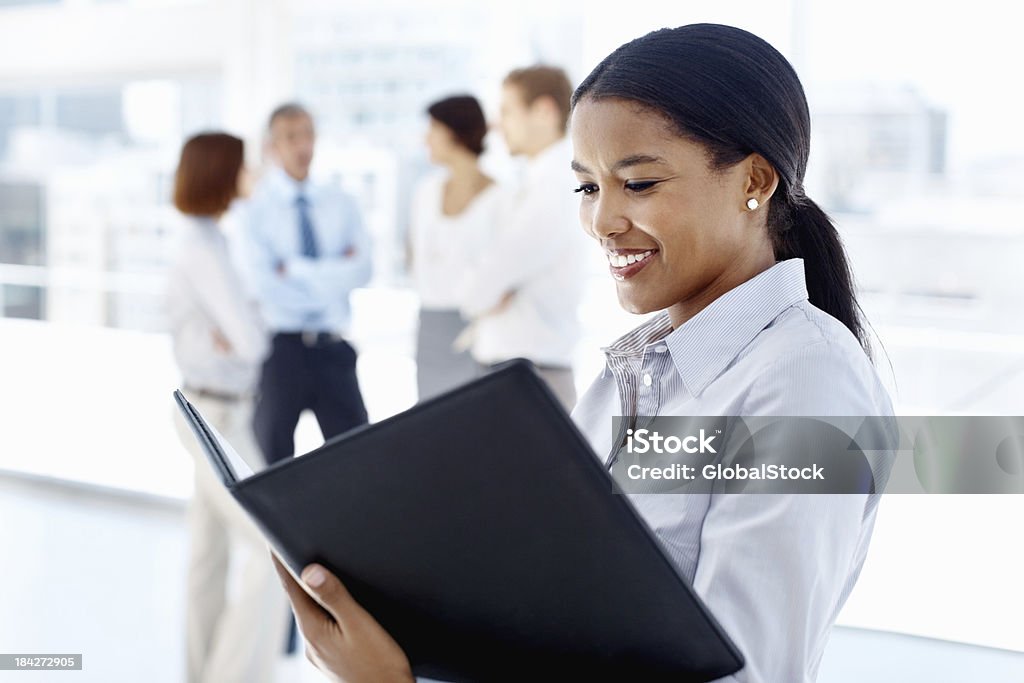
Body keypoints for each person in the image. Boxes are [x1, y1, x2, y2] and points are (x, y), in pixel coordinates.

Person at [271, 24, 895, 683]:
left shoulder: (805, 382)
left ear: (755, 179)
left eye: (640, 183)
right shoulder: (634, 374)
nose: (601, 221)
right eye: (588, 188)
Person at [165, 132, 288, 683]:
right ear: (222, 172)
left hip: (218, 407)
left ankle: (201, 673)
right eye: (246, 165)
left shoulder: (211, 238)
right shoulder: (201, 246)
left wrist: (238, 326)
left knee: (208, 557)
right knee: (271, 546)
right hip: (213, 415)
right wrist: (246, 322)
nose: (254, 172)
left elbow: (238, 335)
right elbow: (254, 341)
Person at [239, 102, 372, 465]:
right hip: (281, 352)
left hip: (334, 349)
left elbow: (362, 271)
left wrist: (294, 270)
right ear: (271, 147)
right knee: (271, 464)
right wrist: (331, 276)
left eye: (309, 135)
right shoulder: (254, 212)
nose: (303, 146)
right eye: (291, 137)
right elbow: (264, 287)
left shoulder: (341, 202)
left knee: (360, 459)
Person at [456, 66, 588, 411]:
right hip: (518, 372)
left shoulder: (557, 185)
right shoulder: (529, 184)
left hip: (531, 377)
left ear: (544, 112)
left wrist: (482, 291)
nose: (498, 125)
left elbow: (482, 282)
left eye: (507, 111)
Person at [408, 95, 500, 401]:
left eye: (433, 128)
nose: (426, 138)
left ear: (454, 132)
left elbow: (503, 275)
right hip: (430, 325)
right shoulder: (425, 191)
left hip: (478, 329)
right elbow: (414, 257)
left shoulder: (502, 198)